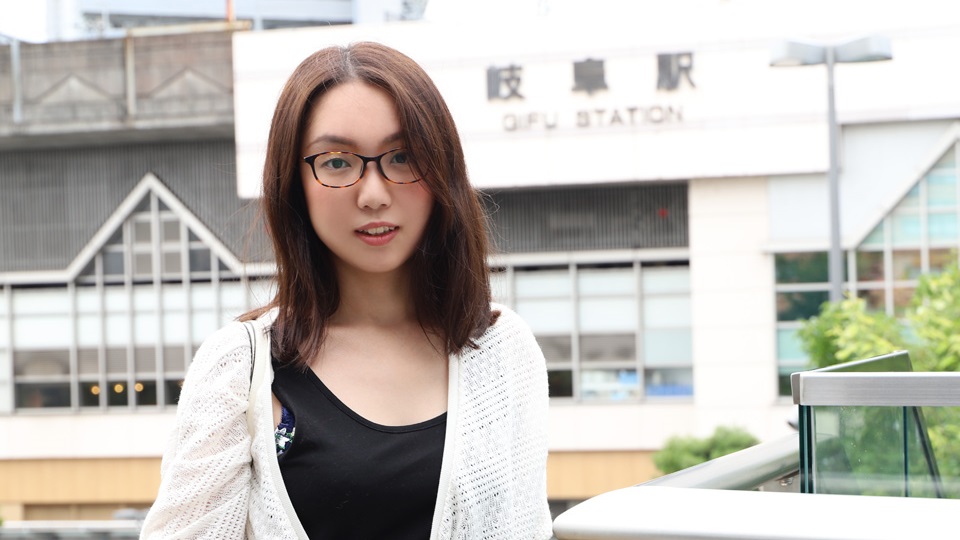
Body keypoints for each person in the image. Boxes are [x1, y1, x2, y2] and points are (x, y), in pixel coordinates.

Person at [140, 41, 552, 539]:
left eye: (403, 157)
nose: (374, 195)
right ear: (294, 183)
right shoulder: (240, 367)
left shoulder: (502, 350)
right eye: (336, 162)